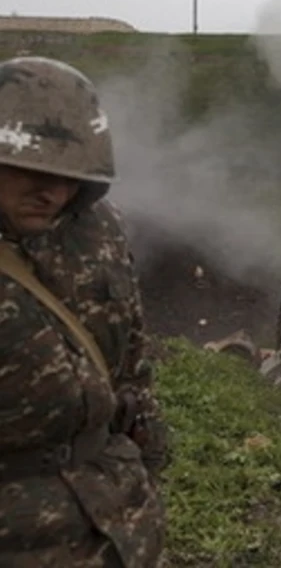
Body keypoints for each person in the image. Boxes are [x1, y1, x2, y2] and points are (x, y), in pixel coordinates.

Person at [0, 56, 169, 566]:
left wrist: (148, 458)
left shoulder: (98, 231)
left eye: (69, 175)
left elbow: (131, 354)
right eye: (31, 168)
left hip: (122, 525)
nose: (51, 191)